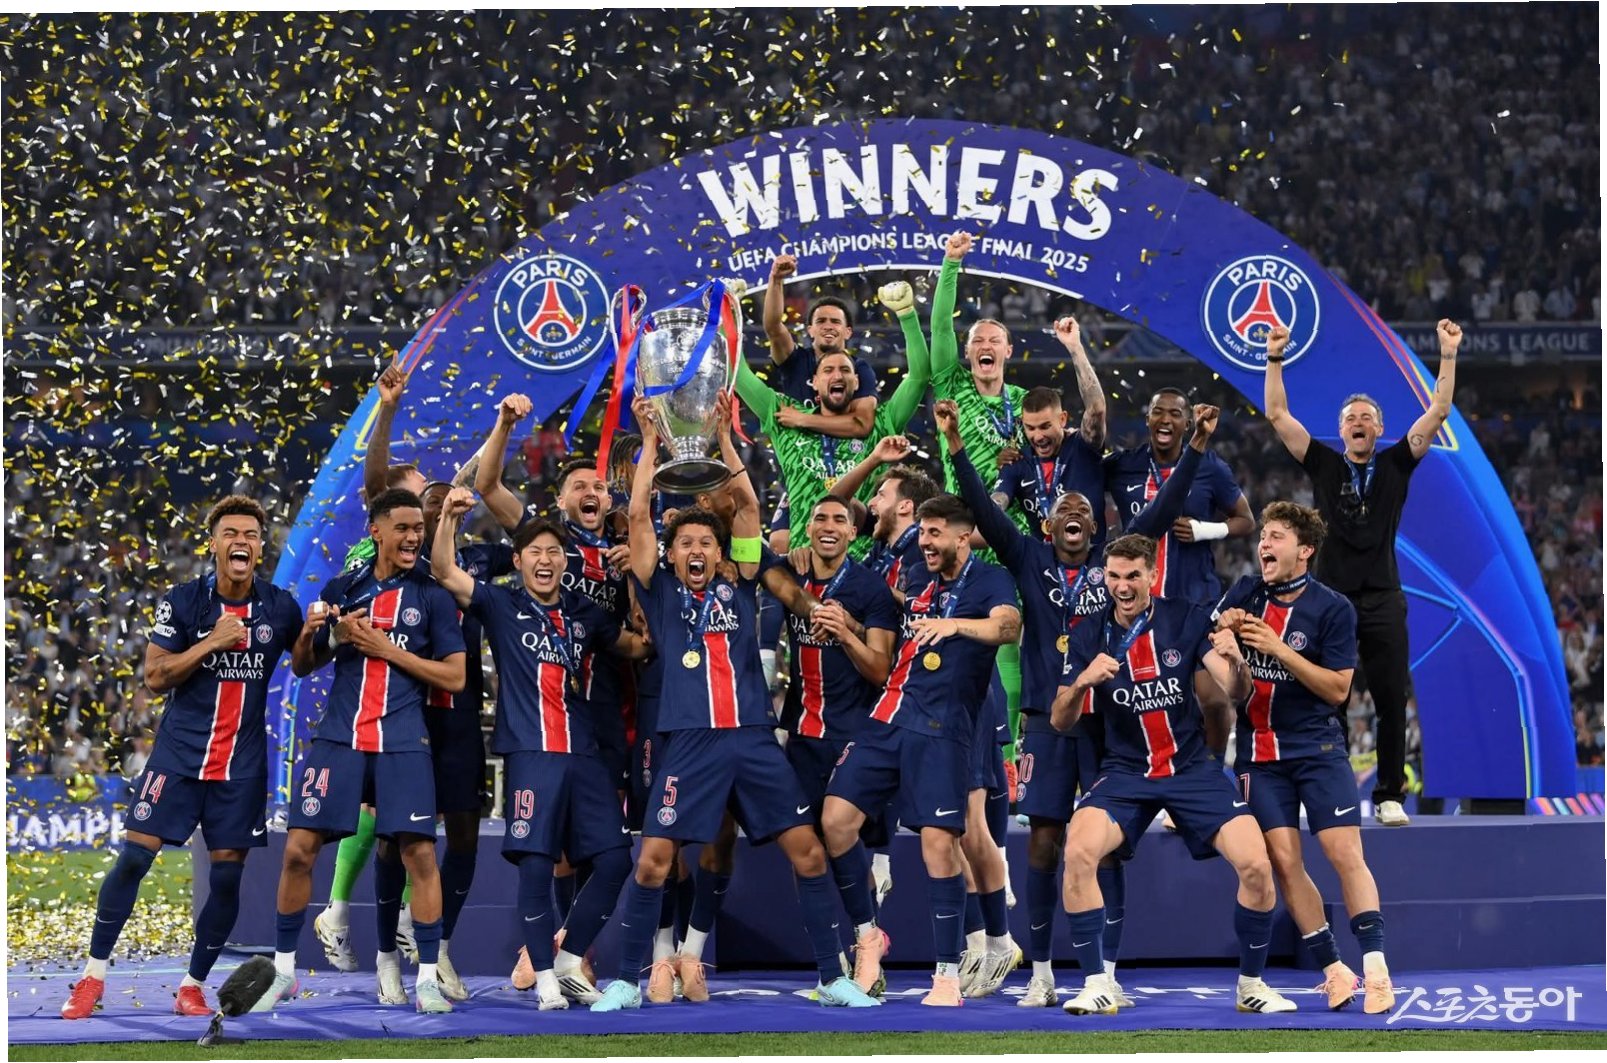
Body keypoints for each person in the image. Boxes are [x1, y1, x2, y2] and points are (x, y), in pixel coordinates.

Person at [589, 395, 880, 1011]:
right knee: (654, 862)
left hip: (752, 739)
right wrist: (649, 443)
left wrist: (725, 439)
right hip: (690, 742)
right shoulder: (657, 590)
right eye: (685, 543)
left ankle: (831, 977)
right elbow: (638, 515)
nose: (696, 550)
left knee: (808, 853)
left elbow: (747, 506)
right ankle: (626, 981)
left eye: (705, 543)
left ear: (720, 554)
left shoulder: (742, 581)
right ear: (671, 554)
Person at [944, 398, 1220, 1008]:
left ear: (1096, 529)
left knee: (1106, 847)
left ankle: (1106, 971)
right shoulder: (1028, 556)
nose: (1073, 511)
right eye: (1062, 510)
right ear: (1047, 528)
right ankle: (1041, 972)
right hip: (1047, 719)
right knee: (1044, 842)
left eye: (1083, 510)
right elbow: (985, 510)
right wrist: (956, 445)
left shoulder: (1112, 564)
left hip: (1108, 724)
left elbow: (1165, 506)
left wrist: (1198, 446)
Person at [62, 497, 303, 1020]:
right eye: (231, 533)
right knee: (134, 859)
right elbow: (155, 676)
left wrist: (327, 630)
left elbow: (306, 662)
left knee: (227, 880)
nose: (242, 541)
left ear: (261, 546)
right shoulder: (184, 601)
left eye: (251, 534)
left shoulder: (280, 606)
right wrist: (211, 643)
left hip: (240, 766)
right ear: (213, 544)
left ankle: (192, 986)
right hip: (177, 757)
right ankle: (92, 977)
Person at [1050, 534, 1294, 1016]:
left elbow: (1236, 691)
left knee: (1256, 863)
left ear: (1153, 575)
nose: (1122, 586)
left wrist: (1237, 659)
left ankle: (1251, 985)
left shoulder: (1184, 617)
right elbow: (1060, 719)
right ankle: (1097, 984)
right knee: (1078, 850)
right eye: (1114, 576)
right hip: (1125, 771)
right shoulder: (1087, 634)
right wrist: (1081, 682)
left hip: (1190, 767)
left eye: (1133, 576)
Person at [431, 493, 649, 1010]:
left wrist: (640, 584)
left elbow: (637, 645)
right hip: (531, 753)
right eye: (535, 552)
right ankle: (546, 978)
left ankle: (569, 959)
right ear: (519, 560)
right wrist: (449, 519)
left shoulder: (584, 614)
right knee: (536, 864)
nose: (546, 560)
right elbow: (444, 570)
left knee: (615, 859)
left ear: (564, 562)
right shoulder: (500, 604)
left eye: (554, 552)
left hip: (584, 753)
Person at [256, 488, 468, 1015]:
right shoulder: (343, 588)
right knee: (299, 849)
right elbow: (304, 664)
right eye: (403, 528)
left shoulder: (432, 595)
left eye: (418, 529)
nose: (414, 537)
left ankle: (425, 979)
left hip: (402, 740)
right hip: (340, 738)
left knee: (419, 855)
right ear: (375, 531)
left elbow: (455, 676)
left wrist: (386, 649)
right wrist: (319, 636)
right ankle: (283, 972)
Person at [819, 493, 1022, 1007]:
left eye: (934, 533)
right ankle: (868, 935)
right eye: (922, 532)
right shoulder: (915, 573)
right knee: (836, 820)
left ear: (962, 536)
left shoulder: (990, 579)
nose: (924, 542)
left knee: (940, 843)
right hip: (888, 715)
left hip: (944, 727)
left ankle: (948, 975)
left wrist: (955, 625)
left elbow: (1008, 625)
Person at [1262, 318, 1463, 825]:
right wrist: (1274, 356)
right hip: (1330, 601)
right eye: (1350, 417)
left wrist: (1448, 353)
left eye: (1366, 417)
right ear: (1341, 429)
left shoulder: (1397, 463)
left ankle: (1390, 795)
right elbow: (1277, 413)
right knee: (1324, 699)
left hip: (1382, 597)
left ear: (1378, 429)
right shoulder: (1324, 463)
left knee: (1391, 697)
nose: (1358, 422)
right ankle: (1326, 791)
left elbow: (1439, 410)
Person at [1213, 501, 1396, 1015]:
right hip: (1258, 754)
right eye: (1263, 536)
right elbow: (1218, 647)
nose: (1264, 544)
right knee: (1284, 861)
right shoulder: (1245, 592)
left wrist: (1278, 649)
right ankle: (1334, 970)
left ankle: (1377, 971)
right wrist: (1225, 635)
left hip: (1317, 748)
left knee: (1344, 854)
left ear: (1305, 550)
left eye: (1276, 537)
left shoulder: (1333, 608)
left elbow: (1337, 689)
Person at [1103, 387, 1255, 755]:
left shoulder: (1211, 467)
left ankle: (1211, 770)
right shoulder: (1123, 465)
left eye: (1175, 414)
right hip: (1139, 607)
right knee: (1140, 701)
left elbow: (1247, 520)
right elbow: (1079, 469)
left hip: (1195, 601)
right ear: (1147, 419)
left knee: (1214, 702)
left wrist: (1207, 529)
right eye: (1159, 412)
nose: (1166, 420)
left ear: (1188, 424)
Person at [735, 278, 930, 557]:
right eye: (828, 371)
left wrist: (907, 315)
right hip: (804, 562)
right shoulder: (785, 415)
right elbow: (739, 374)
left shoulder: (881, 422)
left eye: (845, 370)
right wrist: (728, 315)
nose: (837, 375)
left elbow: (919, 377)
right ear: (814, 383)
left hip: (862, 563)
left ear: (856, 382)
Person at [988, 320, 1109, 545]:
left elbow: (1097, 409)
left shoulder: (1082, 446)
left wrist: (1075, 348)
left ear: (1062, 419)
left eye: (1045, 426)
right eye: (1030, 428)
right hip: (1043, 562)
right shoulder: (1018, 462)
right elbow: (998, 502)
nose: (1038, 436)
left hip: (1092, 561)